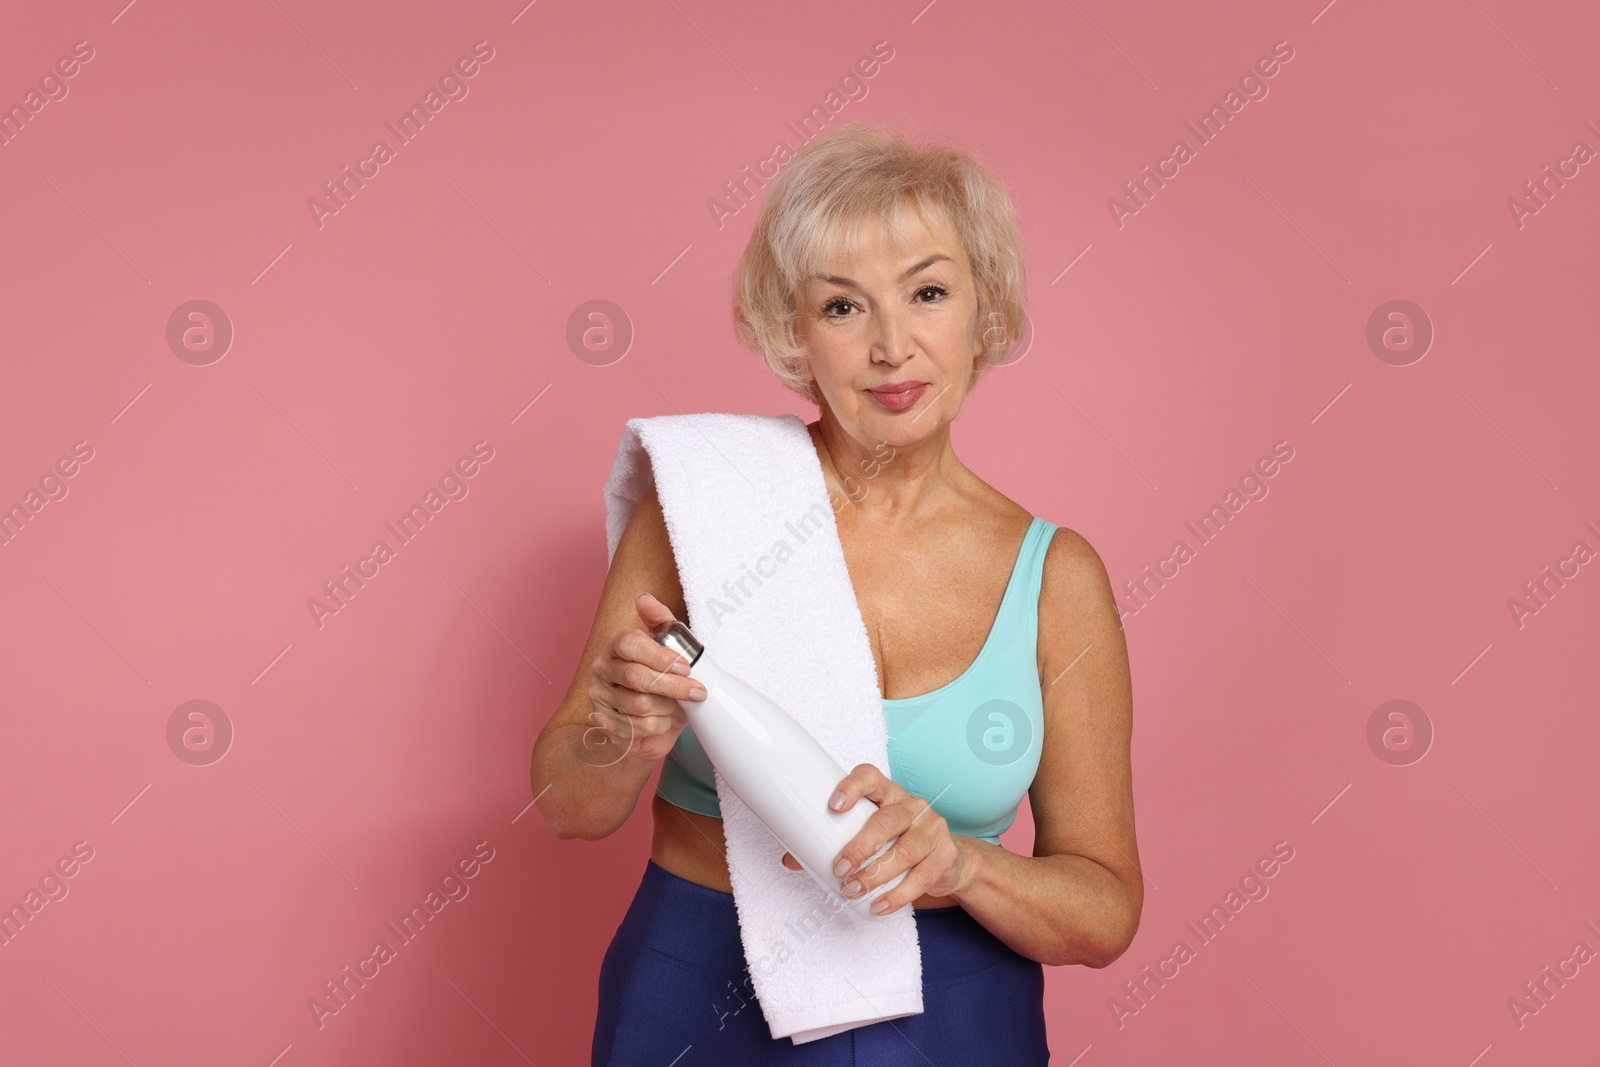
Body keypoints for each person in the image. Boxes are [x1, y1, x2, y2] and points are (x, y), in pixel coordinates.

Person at [531, 120, 1142, 1065]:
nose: (893, 346)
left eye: (928, 293)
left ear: (985, 316)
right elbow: (571, 805)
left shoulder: (1056, 577)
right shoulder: (706, 506)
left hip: (958, 1011)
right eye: (844, 308)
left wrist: (960, 864)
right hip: (697, 990)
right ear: (793, 332)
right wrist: (619, 733)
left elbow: (1104, 912)